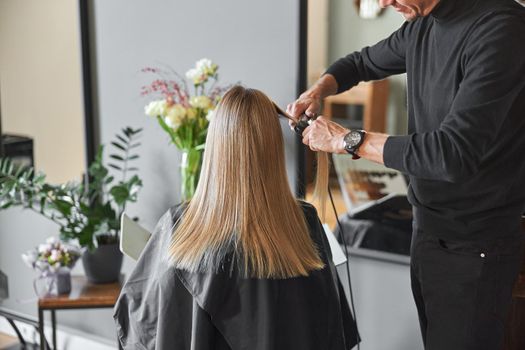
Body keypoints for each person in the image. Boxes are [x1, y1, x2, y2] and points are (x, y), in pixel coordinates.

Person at [288, 0, 525, 349]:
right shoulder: (422, 24)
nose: (384, 2)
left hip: (476, 244)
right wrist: (319, 89)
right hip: (427, 230)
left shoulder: (502, 31)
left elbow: (451, 153)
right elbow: (361, 62)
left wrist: (347, 140)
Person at [113, 86, 359, 350]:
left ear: (216, 143)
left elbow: (140, 320)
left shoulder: (179, 224)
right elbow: (330, 327)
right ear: (273, 145)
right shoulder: (304, 221)